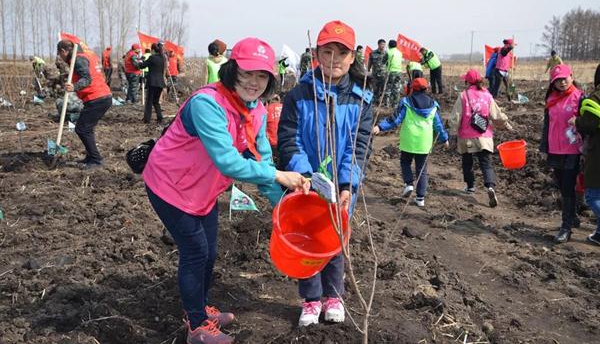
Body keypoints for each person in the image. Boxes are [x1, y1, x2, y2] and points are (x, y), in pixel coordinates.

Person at [143, 37, 310, 344]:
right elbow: (229, 163)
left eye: (262, 76)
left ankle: (199, 308)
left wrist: (285, 205)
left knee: (209, 254)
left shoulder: (257, 111)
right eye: (247, 73)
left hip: (202, 191)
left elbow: (261, 164)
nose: (254, 82)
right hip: (169, 186)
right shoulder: (207, 104)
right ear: (232, 71)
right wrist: (279, 175)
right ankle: (197, 328)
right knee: (195, 253)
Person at [278, 20, 373, 328]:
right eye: (327, 51)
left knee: (333, 240)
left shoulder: (360, 101)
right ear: (316, 53)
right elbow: (289, 139)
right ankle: (310, 299)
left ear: (352, 58)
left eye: (341, 53)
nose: (334, 59)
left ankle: (334, 296)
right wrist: (305, 176)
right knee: (306, 240)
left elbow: (357, 149)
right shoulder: (297, 95)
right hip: (305, 184)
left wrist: (345, 184)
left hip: (342, 186)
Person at [373, 78, 449, 207]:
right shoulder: (433, 105)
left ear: (412, 88)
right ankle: (420, 198)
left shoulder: (406, 102)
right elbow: (438, 125)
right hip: (424, 142)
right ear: (427, 89)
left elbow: (395, 119)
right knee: (422, 170)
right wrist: (445, 138)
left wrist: (380, 127)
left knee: (405, 162)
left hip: (408, 140)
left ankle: (408, 184)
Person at [449, 69, 512, 208]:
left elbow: (456, 117)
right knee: (486, 163)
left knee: (467, 162)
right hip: (484, 136)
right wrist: (506, 125)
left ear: (467, 82)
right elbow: (497, 115)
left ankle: (470, 186)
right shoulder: (487, 96)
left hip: (466, 137)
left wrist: (452, 132)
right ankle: (490, 187)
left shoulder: (463, 95)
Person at [540, 64, 584, 243]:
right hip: (554, 149)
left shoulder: (580, 97)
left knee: (567, 187)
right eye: (557, 80)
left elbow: (588, 122)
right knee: (561, 185)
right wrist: (544, 147)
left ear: (571, 77)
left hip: (573, 149)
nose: (562, 82)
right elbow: (547, 125)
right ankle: (572, 216)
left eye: (564, 78)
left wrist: (578, 121)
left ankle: (566, 228)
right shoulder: (551, 98)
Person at [57, 39, 112, 169]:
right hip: (99, 97)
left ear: (64, 51)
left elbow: (87, 79)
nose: (60, 57)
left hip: (97, 98)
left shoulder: (78, 59)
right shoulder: (83, 57)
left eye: (60, 54)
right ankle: (90, 157)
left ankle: (96, 160)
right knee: (87, 128)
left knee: (82, 129)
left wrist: (74, 87)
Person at [575, 68, 600, 245]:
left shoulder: (596, 97)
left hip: (598, 152)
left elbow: (588, 125)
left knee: (592, 195)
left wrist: (575, 121)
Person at [138, 42, 167, 124]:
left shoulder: (152, 57)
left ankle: (147, 120)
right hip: (161, 83)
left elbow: (142, 66)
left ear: (153, 50)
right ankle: (160, 118)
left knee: (149, 102)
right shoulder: (162, 58)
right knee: (156, 102)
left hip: (152, 83)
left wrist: (140, 61)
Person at [367, 39, 388, 104]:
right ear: (378, 44)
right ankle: (374, 102)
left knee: (383, 89)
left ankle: (381, 102)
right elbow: (370, 63)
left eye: (384, 44)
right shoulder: (373, 53)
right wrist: (368, 70)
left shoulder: (386, 54)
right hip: (375, 74)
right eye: (382, 44)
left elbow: (388, 64)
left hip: (384, 74)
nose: (383, 46)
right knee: (375, 89)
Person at [386, 40, 403, 107]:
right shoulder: (400, 52)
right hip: (399, 72)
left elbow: (384, 61)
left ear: (389, 45)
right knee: (396, 88)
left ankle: (387, 104)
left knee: (389, 88)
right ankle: (395, 104)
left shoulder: (388, 52)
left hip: (391, 71)